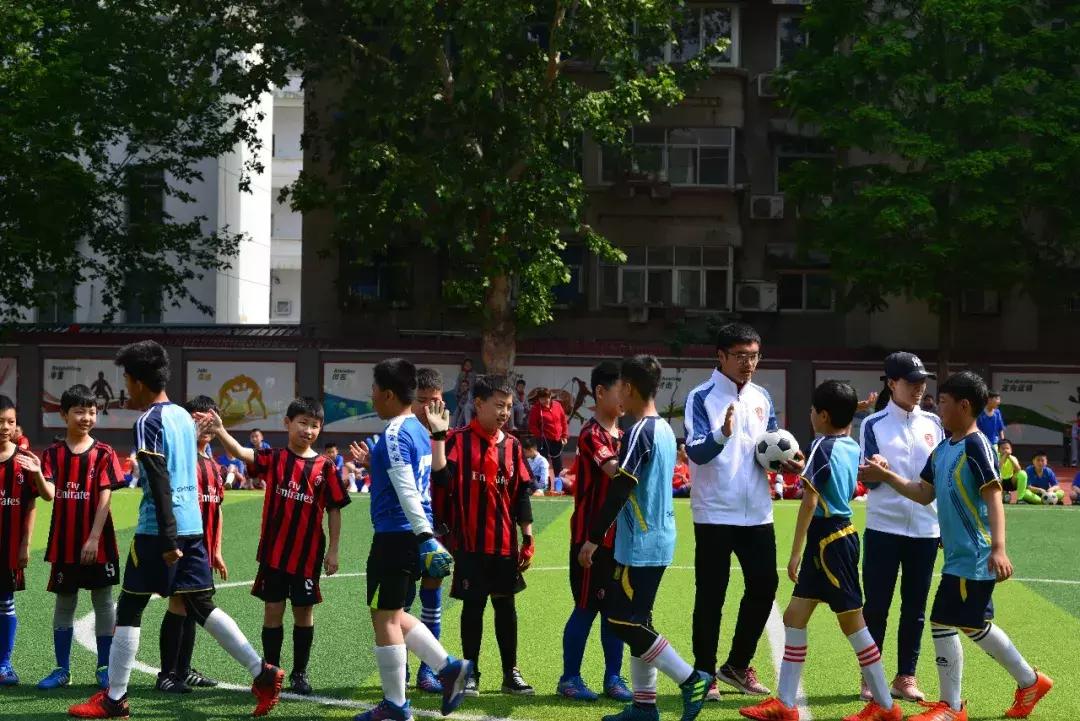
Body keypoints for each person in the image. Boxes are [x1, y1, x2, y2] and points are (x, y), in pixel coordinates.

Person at [69, 340, 284, 719]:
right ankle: (262, 672)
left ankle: (115, 699)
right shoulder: (184, 417)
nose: (126, 387)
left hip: (158, 531)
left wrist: (167, 538)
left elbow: (158, 477)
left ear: (138, 382)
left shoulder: (148, 421)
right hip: (193, 526)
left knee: (130, 606)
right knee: (201, 605)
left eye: (126, 379)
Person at [860, 370, 1054, 721]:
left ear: (964, 406)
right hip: (957, 556)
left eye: (944, 402)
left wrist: (998, 547)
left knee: (947, 621)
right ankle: (1028, 682)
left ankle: (954, 706)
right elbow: (924, 493)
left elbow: (994, 496)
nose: (939, 408)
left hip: (975, 554)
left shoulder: (976, 445)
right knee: (968, 623)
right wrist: (886, 476)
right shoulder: (943, 448)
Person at [740, 380, 900, 721]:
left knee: (853, 624)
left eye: (813, 410)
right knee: (794, 617)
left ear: (823, 415)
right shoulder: (848, 444)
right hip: (836, 538)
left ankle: (886, 706)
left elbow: (810, 502)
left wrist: (795, 552)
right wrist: (855, 409)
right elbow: (831, 474)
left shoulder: (821, 447)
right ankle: (785, 704)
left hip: (829, 541)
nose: (810, 415)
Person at [578, 354, 711, 721]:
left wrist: (593, 538)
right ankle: (644, 706)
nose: (619, 392)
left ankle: (691, 679)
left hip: (641, 544)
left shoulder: (640, 431)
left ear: (629, 388)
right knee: (639, 621)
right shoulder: (665, 429)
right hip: (656, 538)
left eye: (621, 386)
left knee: (622, 621)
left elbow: (621, 488)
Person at [683, 323, 804, 699]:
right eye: (740, 356)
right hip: (715, 512)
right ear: (720, 356)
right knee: (711, 596)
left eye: (754, 356)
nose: (748, 363)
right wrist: (722, 432)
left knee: (764, 588)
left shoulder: (761, 396)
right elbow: (696, 451)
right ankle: (705, 673)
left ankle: (737, 665)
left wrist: (788, 464)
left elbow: (771, 447)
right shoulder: (701, 397)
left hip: (758, 513)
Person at [346, 359, 472, 721]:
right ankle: (448, 668)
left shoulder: (395, 433)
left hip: (397, 537)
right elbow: (425, 477)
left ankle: (397, 705)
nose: (371, 395)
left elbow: (406, 489)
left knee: (386, 618)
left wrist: (425, 537)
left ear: (388, 394)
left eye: (373, 389)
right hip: (408, 536)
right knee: (391, 613)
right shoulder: (418, 430)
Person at [200, 396, 349, 696]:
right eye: (302, 423)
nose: (308, 430)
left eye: (314, 425)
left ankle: (300, 673)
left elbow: (334, 509)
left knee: (303, 612)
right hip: (274, 553)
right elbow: (240, 452)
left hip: (308, 554)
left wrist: (333, 550)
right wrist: (220, 430)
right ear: (287, 423)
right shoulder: (275, 458)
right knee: (272, 610)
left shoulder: (325, 467)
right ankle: (271, 672)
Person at [431, 374, 536, 697]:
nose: (505, 412)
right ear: (478, 404)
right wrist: (438, 436)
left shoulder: (513, 446)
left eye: (508, 407)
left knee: (506, 607)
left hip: (505, 544)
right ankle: (471, 672)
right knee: (473, 607)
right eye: (499, 405)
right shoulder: (457, 440)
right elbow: (442, 479)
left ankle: (510, 673)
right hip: (470, 543)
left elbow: (521, 495)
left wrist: (528, 537)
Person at [856, 352, 944, 702]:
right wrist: (876, 468)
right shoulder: (873, 424)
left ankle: (906, 676)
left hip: (926, 529)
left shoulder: (934, 424)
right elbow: (868, 480)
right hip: (884, 527)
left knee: (915, 609)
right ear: (892, 383)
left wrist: (943, 525)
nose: (919, 387)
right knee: (876, 607)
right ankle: (870, 678)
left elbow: (940, 477)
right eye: (911, 381)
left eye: (922, 380)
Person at [26, 385, 122, 691]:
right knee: (64, 603)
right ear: (64, 414)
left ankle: (104, 667)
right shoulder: (52, 454)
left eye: (91, 411)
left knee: (103, 602)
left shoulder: (104, 453)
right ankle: (62, 670)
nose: (87, 417)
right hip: (64, 544)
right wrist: (37, 472)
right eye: (79, 411)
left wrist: (93, 538)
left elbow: (105, 499)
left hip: (99, 542)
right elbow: (49, 494)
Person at [558, 361, 631, 703]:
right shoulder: (591, 434)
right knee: (586, 607)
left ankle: (613, 678)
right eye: (621, 391)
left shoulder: (626, 436)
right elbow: (617, 472)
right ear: (600, 392)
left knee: (615, 611)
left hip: (621, 540)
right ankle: (569, 678)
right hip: (590, 539)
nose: (626, 398)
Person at [155, 395, 228, 692]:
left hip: (203, 550)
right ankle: (166, 674)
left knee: (191, 607)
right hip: (181, 546)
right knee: (179, 604)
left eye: (211, 420)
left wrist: (217, 550)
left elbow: (217, 508)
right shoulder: (181, 461)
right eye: (199, 419)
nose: (206, 426)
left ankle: (183, 671)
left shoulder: (214, 465)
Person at [0, 396, 38, 686]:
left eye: (10, 421)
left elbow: (34, 503)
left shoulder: (23, 459)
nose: (5, 427)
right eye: (0, 421)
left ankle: (4, 664)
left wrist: (25, 543)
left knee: (5, 603)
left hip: (8, 546)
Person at [529, 387, 569, 478]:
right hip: (544, 441)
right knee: (543, 464)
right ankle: (544, 483)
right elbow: (532, 425)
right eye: (541, 399)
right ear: (539, 399)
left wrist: (564, 435)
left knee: (558, 464)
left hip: (557, 439)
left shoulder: (557, 405)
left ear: (550, 396)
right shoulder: (535, 409)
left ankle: (559, 482)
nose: (544, 401)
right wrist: (540, 435)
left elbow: (563, 421)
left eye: (546, 398)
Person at [998, 440, 1039, 505]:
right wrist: (1004, 457)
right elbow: (998, 468)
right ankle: (1001, 496)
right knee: (997, 477)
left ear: (1011, 450)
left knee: (1022, 473)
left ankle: (1019, 499)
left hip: (1011, 482)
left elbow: (1018, 469)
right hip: (999, 481)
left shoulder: (1013, 458)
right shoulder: (995, 457)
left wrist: (1009, 457)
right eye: (1003, 449)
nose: (1005, 450)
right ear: (998, 450)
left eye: (1007, 448)